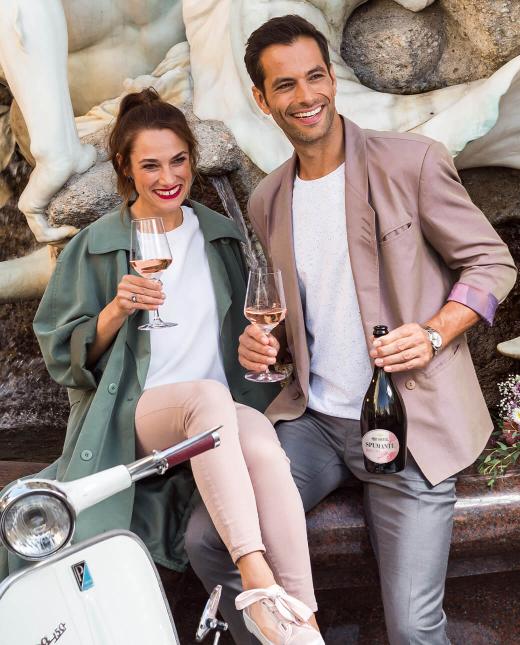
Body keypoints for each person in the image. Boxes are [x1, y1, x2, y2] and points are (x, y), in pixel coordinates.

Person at [183, 15, 517, 645]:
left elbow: (492, 262)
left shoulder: (412, 162)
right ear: (262, 99)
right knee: (209, 539)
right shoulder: (269, 199)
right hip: (314, 422)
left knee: (414, 631)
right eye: (285, 86)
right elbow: (304, 317)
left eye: (315, 76)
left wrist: (437, 331)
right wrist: (268, 348)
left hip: (409, 421)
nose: (306, 96)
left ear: (332, 79)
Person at [0, 88, 325, 645]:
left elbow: (242, 344)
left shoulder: (222, 237)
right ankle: (255, 576)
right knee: (204, 399)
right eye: (150, 164)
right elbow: (62, 358)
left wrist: (256, 349)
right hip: (138, 416)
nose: (167, 176)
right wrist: (115, 310)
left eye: (178, 161)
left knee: (264, 447)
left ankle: (300, 623)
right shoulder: (96, 247)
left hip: (215, 414)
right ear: (126, 168)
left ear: (193, 161)